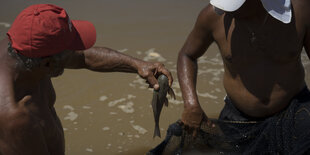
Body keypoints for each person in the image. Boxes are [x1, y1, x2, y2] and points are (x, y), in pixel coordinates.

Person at [0, 4, 173, 155]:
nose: (76, 51)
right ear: (48, 63)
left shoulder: (23, 49)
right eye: (70, 49)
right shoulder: (15, 118)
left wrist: (138, 65)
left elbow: (84, 57)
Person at [177, 0, 310, 154]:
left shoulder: (301, 10)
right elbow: (187, 55)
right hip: (238, 118)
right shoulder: (213, 16)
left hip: (295, 108)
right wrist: (191, 105)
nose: (228, 11)